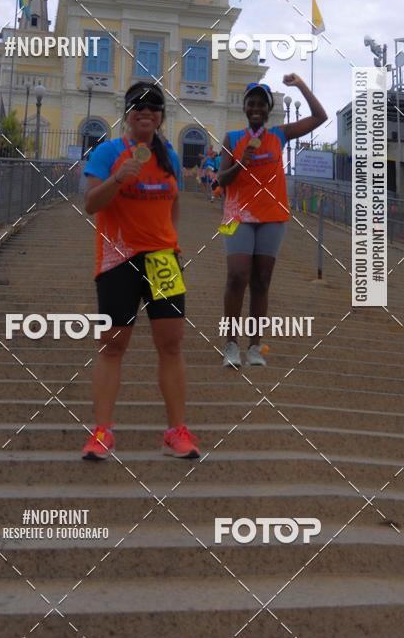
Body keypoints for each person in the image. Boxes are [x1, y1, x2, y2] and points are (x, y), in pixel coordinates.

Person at [81, 81, 200, 459]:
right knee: (112, 346)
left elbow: (174, 202)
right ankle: (102, 433)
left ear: (161, 116)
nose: (146, 112)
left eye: (154, 107)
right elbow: (89, 204)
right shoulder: (108, 153)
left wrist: (169, 240)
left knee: (171, 344)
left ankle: (176, 432)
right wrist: (119, 179)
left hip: (163, 259)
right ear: (127, 113)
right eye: (138, 106)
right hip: (118, 259)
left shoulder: (170, 158)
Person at [218, 75, 327, 367]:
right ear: (244, 108)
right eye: (251, 103)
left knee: (262, 282)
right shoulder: (232, 139)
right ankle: (230, 344)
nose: (256, 108)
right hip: (237, 215)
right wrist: (243, 160)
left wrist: (301, 84)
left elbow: (320, 116)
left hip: (272, 216)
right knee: (237, 275)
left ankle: (254, 347)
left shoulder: (278, 135)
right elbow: (222, 179)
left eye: (261, 105)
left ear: (268, 110)